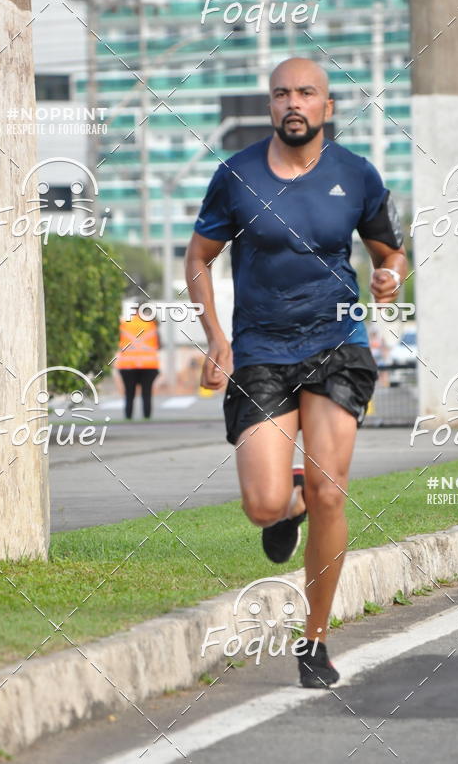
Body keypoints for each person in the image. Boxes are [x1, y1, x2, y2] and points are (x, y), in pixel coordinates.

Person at [185, 57, 407, 688]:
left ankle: (315, 640)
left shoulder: (356, 174)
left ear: (326, 107)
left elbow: (390, 250)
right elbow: (199, 257)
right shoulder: (236, 175)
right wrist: (216, 337)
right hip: (260, 350)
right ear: (270, 106)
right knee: (262, 505)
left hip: (338, 342)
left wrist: (390, 276)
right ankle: (289, 507)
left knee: (332, 493)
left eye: (307, 93)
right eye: (282, 93)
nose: (294, 103)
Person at [115, 304, 161, 420]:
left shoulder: (124, 324)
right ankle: (147, 418)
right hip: (149, 365)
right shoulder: (152, 324)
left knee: (129, 394)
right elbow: (159, 345)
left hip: (127, 365)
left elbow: (118, 342)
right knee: (147, 393)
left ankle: (128, 417)